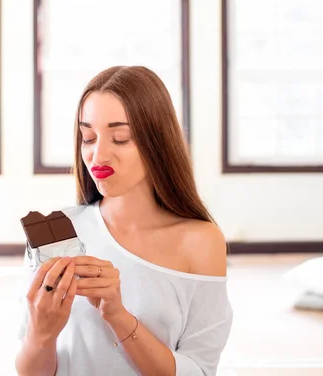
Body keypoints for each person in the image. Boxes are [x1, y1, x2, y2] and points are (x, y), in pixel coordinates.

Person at [15, 66, 233, 376]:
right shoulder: (57, 233)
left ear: (157, 141)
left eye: (120, 138)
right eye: (88, 137)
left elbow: (199, 369)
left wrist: (116, 314)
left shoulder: (201, 241)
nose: (98, 155)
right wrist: (41, 333)